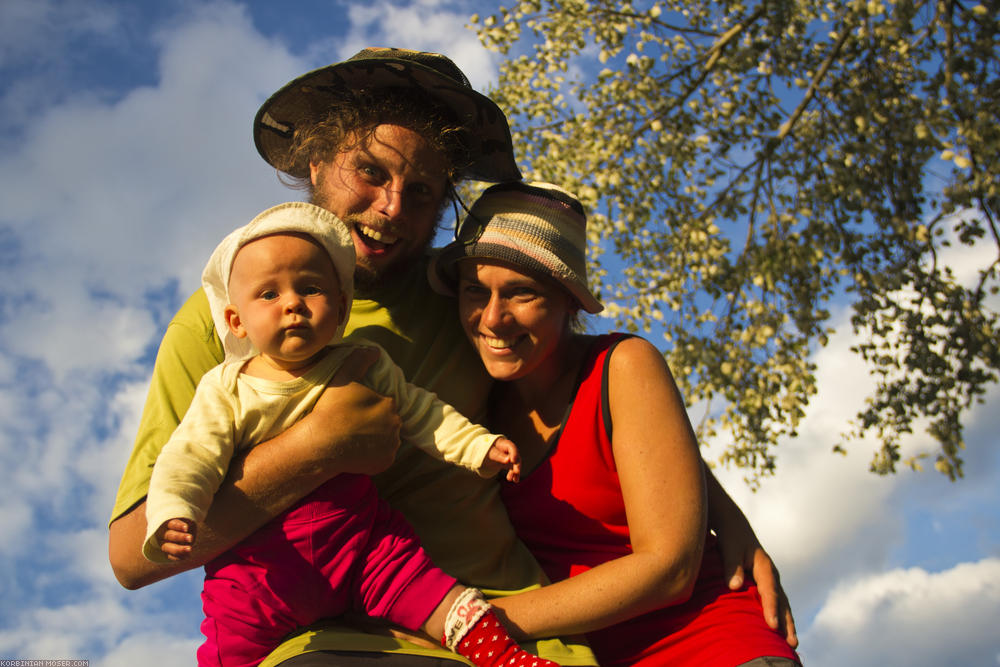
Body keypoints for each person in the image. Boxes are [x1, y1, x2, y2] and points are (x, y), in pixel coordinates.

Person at [108, 47, 795, 666]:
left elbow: (600, 392)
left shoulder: (463, 293)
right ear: (315, 162)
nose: (391, 207)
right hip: (331, 640)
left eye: (424, 191)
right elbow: (130, 556)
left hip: (497, 623)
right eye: (368, 172)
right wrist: (316, 446)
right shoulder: (225, 319)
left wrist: (719, 514)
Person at [143, 201, 547, 667]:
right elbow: (191, 454)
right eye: (269, 295)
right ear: (237, 322)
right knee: (226, 650)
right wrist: (175, 510)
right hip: (265, 570)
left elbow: (423, 412)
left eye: (310, 288)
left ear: (340, 308)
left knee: (446, 601)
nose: (292, 302)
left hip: (361, 546)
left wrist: (479, 446)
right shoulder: (227, 388)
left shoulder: (364, 361)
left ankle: (507, 659)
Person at [428, 180, 802, 666]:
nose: (494, 319)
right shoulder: (474, 399)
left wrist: (471, 622)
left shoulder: (622, 366)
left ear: (570, 301)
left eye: (522, 294)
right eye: (475, 290)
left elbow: (670, 568)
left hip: (711, 645)